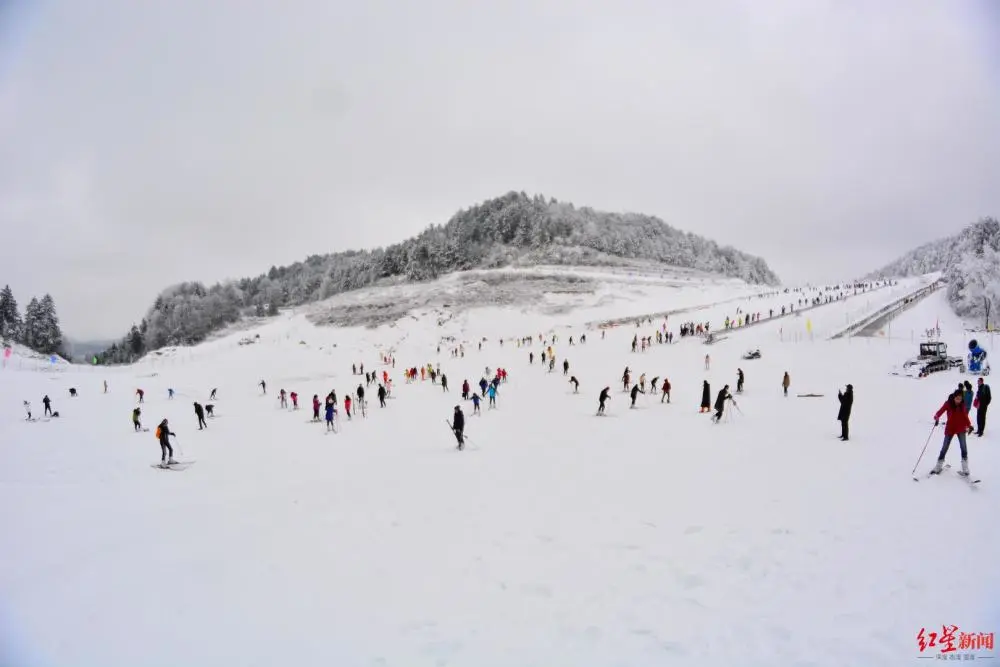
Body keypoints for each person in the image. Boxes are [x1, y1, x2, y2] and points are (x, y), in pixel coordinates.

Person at [931, 390, 973, 476]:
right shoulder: (948, 404)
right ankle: (938, 466)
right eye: (957, 398)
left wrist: (969, 425)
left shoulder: (962, 405)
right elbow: (940, 411)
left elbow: (965, 416)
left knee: (963, 447)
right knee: (944, 447)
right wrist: (936, 416)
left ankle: (965, 467)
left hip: (961, 428)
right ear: (954, 397)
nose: (958, 401)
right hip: (950, 428)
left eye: (960, 399)